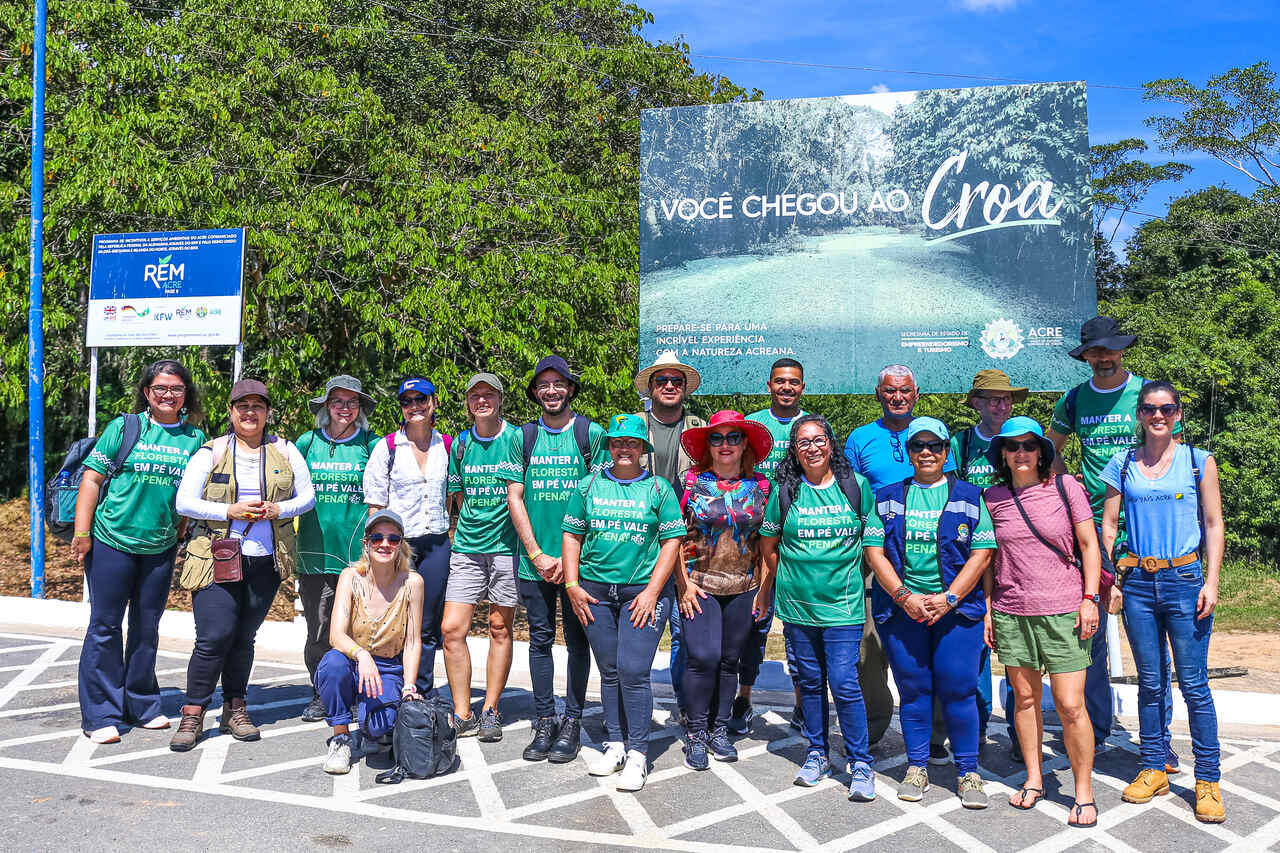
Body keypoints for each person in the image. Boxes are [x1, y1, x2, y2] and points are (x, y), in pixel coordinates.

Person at [1047, 316, 1172, 761]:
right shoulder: (1076, 399)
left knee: (1151, 636)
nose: (1103, 358)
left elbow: (1171, 453)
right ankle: (1097, 728)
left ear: (1122, 351)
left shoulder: (1147, 397)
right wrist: (1072, 488)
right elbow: (1050, 450)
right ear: (1085, 356)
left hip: (1148, 525)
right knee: (1092, 630)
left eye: (1110, 350)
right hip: (1095, 529)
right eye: (1094, 352)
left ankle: (1159, 741)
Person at [1101, 381, 1226, 824]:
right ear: (1139, 414)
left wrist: (1211, 581)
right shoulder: (1122, 463)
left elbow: (1213, 523)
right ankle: (1154, 765)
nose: (1158, 415)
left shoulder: (1197, 462)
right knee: (1151, 683)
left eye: (1166, 408)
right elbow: (1110, 523)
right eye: (1150, 408)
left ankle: (1207, 779)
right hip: (1136, 582)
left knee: (1194, 685)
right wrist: (1110, 577)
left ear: (1177, 413)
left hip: (1185, 580)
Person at [170, 379, 316, 751]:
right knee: (213, 638)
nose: (250, 413)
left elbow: (308, 496)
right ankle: (193, 712)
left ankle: (235, 707)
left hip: (265, 560)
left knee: (243, 639)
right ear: (232, 412)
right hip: (215, 557)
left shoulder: (285, 449)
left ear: (267, 412)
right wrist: (228, 510)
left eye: (257, 406)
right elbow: (184, 502)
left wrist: (279, 509)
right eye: (242, 406)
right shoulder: (212, 451)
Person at [863, 417, 995, 809]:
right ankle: (917, 765)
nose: (926, 452)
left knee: (958, 689)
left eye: (934, 446)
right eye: (918, 445)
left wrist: (950, 598)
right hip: (904, 611)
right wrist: (903, 596)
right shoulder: (887, 495)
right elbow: (874, 551)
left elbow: (982, 553)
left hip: (957, 612)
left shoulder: (971, 495)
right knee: (914, 691)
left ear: (945, 451)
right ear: (909, 452)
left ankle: (969, 771)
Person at [74, 360, 206, 744]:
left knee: (147, 630)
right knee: (105, 628)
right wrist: (82, 532)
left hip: (160, 549)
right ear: (148, 393)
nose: (168, 394)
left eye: (176, 389)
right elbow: (92, 480)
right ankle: (100, 713)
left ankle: (142, 704)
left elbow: (188, 499)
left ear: (185, 396)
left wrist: (178, 538)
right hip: (111, 541)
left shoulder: (194, 440)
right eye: (160, 388)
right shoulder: (125, 427)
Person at [982, 416, 1101, 827]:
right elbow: (988, 559)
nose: (1020, 453)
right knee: (1025, 700)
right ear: (1001, 453)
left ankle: (1083, 791)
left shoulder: (1066, 488)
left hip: (1065, 609)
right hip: (1012, 610)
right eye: (1012, 446)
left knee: (1070, 705)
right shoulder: (992, 497)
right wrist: (988, 607)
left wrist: (1090, 599)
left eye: (1029, 446)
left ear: (1041, 451)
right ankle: (1034, 778)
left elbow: (1090, 545)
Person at [756, 414, 877, 802]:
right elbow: (769, 544)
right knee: (809, 683)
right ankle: (817, 754)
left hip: (843, 607)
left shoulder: (855, 486)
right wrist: (774, 584)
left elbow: (870, 543)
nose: (812, 447)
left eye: (818, 439)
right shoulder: (785, 490)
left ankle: (860, 763)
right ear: (794, 449)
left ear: (830, 443)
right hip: (798, 609)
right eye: (803, 441)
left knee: (843, 682)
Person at [563, 414, 685, 792]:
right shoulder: (587, 486)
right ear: (610, 447)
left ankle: (638, 753)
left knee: (633, 671)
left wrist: (652, 591)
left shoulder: (658, 488)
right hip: (595, 591)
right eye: (617, 442)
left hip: (641, 593)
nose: (624, 448)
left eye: (631, 442)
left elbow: (672, 542)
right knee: (611, 670)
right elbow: (572, 535)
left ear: (642, 449)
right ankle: (615, 743)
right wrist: (571, 583)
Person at [843, 365, 956, 749]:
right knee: (868, 651)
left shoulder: (935, 435)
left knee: (931, 648)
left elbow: (951, 492)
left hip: (931, 562)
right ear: (879, 393)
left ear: (916, 393)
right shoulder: (860, 439)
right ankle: (874, 725)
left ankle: (936, 734)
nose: (897, 397)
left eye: (904, 390)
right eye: (890, 390)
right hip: (877, 559)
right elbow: (853, 494)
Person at [502, 355, 607, 763]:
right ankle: (545, 719)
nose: (551, 391)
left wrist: (568, 558)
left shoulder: (590, 433)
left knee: (579, 643)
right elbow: (514, 496)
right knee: (540, 641)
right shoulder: (522, 437)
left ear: (570, 389)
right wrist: (536, 553)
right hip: (534, 560)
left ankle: (573, 722)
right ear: (535, 392)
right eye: (543, 385)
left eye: (558, 383)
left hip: (577, 564)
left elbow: (599, 499)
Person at [676, 410, 772, 770]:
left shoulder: (761, 487)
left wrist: (763, 590)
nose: (726, 445)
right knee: (703, 658)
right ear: (708, 446)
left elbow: (767, 543)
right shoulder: (691, 483)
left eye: (734, 437)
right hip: (699, 584)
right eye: (717, 438)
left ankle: (719, 729)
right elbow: (671, 538)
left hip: (744, 586)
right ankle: (696, 732)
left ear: (745, 443)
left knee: (731, 660)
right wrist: (682, 586)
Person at [950, 369, 1028, 750]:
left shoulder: (1023, 442)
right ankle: (975, 730)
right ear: (977, 404)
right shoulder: (960, 444)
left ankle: (1019, 734)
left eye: (1007, 399)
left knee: (1016, 651)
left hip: (1016, 555)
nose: (1002, 405)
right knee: (974, 649)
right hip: (970, 556)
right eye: (994, 399)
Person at [295, 376, 380, 723]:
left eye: (351, 402)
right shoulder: (306, 442)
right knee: (318, 629)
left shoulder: (372, 445)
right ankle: (321, 692)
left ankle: (360, 692)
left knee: (360, 628)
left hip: (359, 557)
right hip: (314, 552)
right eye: (337, 402)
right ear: (326, 406)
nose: (344, 409)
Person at [442, 373, 521, 741]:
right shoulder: (460, 443)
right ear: (468, 403)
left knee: (499, 627)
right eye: (475, 396)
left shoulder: (517, 438)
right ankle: (463, 712)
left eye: (489, 394)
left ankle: (490, 708)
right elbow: (457, 495)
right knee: (451, 629)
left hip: (507, 548)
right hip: (468, 547)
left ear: (500, 399)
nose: (482, 401)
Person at [316, 510, 425, 774]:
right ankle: (341, 737)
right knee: (332, 665)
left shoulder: (413, 583)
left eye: (392, 539)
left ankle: (367, 725)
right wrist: (361, 655)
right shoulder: (350, 576)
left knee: (380, 726)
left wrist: (409, 685)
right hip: (351, 660)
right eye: (377, 538)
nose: (384, 544)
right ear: (366, 543)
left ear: (401, 545)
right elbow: (336, 635)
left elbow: (412, 642)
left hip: (386, 666)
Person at [631, 351, 706, 726]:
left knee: (685, 629)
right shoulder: (634, 426)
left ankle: (686, 706)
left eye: (676, 381)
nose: (670, 386)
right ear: (651, 387)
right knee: (638, 629)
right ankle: (632, 707)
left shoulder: (699, 426)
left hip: (689, 539)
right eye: (662, 381)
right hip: (642, 540)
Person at [363, 378, 451, 696]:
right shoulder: (387, 447)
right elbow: (375, 507)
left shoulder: (449, 446)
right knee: (394, 618)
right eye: (407, 401)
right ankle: (390, 684)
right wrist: (378, 551)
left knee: (426, 624)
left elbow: (456, 496)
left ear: (433, 403)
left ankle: (421, 690)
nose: (414, 406)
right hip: (398, 545)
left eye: (421, 399)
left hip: (438, 542)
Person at [734, 358, 807, 735]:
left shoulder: (811, 425)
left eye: (793, 382)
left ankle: (802, 704)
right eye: (780, 382)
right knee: (754, 625)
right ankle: (743, 698)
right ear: (769, 385)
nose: (786, 388)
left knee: (797, 627)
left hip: (797, 541)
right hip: (751, 539)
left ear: (802, 387)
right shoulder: (752, 423)